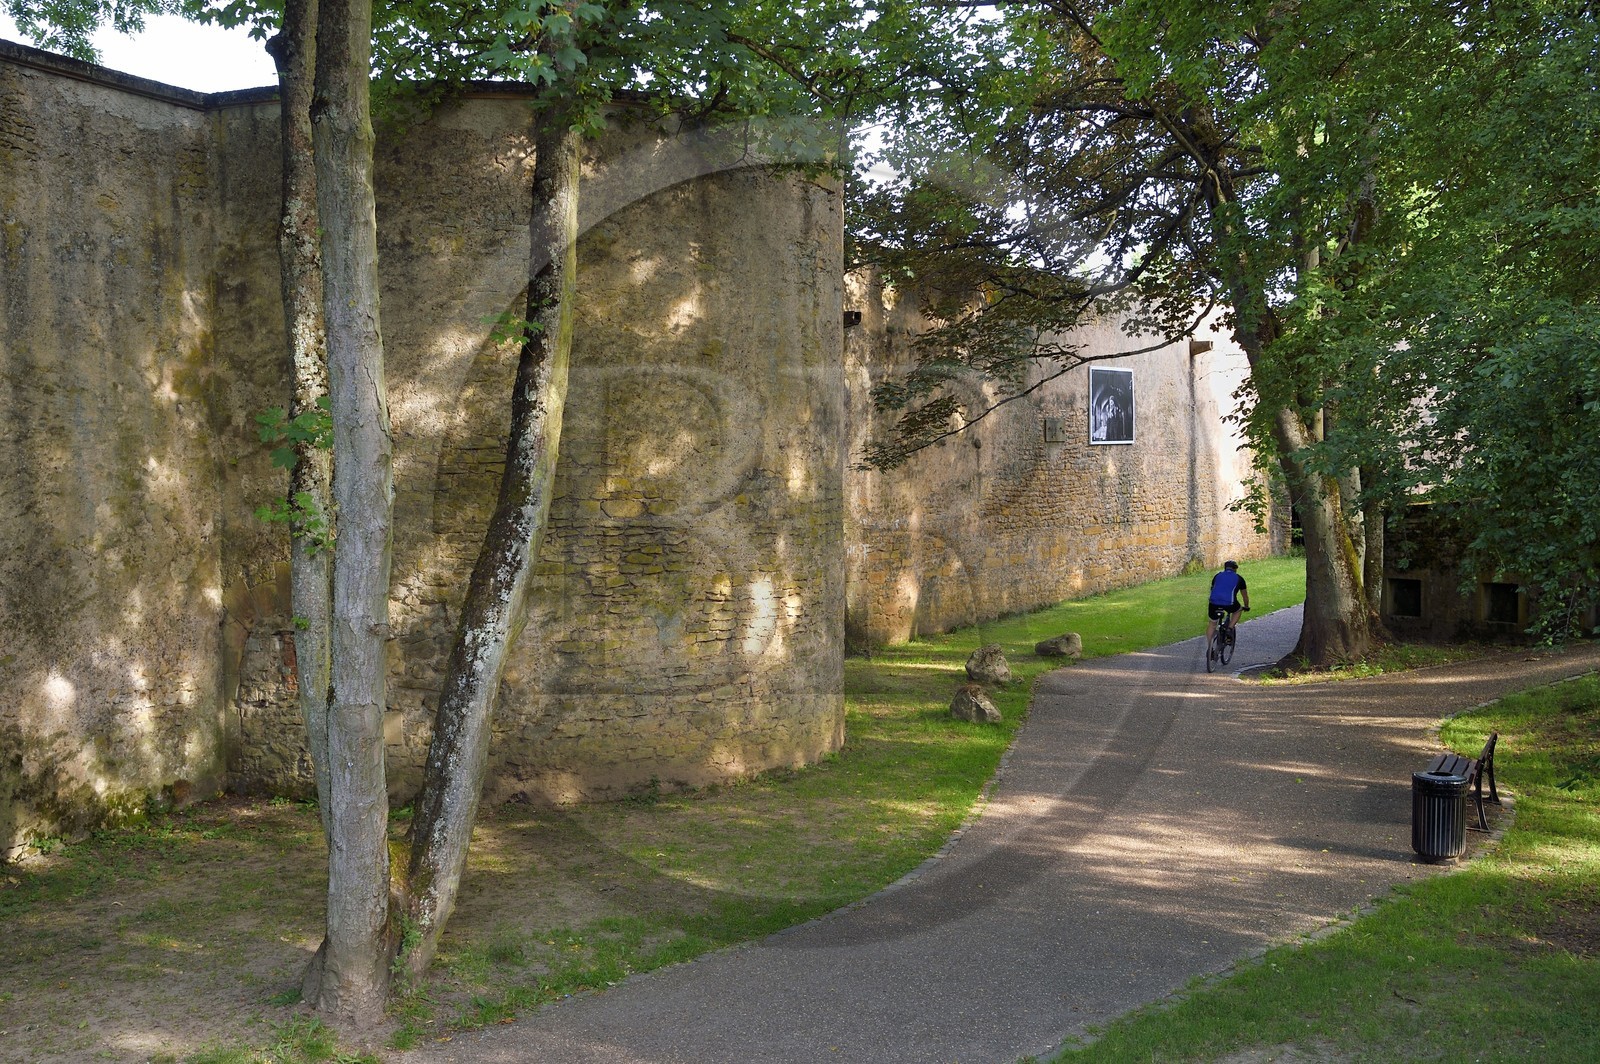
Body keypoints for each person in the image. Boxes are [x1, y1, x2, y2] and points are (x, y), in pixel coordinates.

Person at [1206, 559, 1250, 654]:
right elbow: (1245, 596)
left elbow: (1213, 589)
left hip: (1213, 602)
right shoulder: (1239, 579)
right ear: (1235, 569)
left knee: (1212, 624)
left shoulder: (1217, 576)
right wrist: (1246, 606)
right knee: (1238, 610)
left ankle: (1210, 648)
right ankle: (1230, 628)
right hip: (1229, 603)